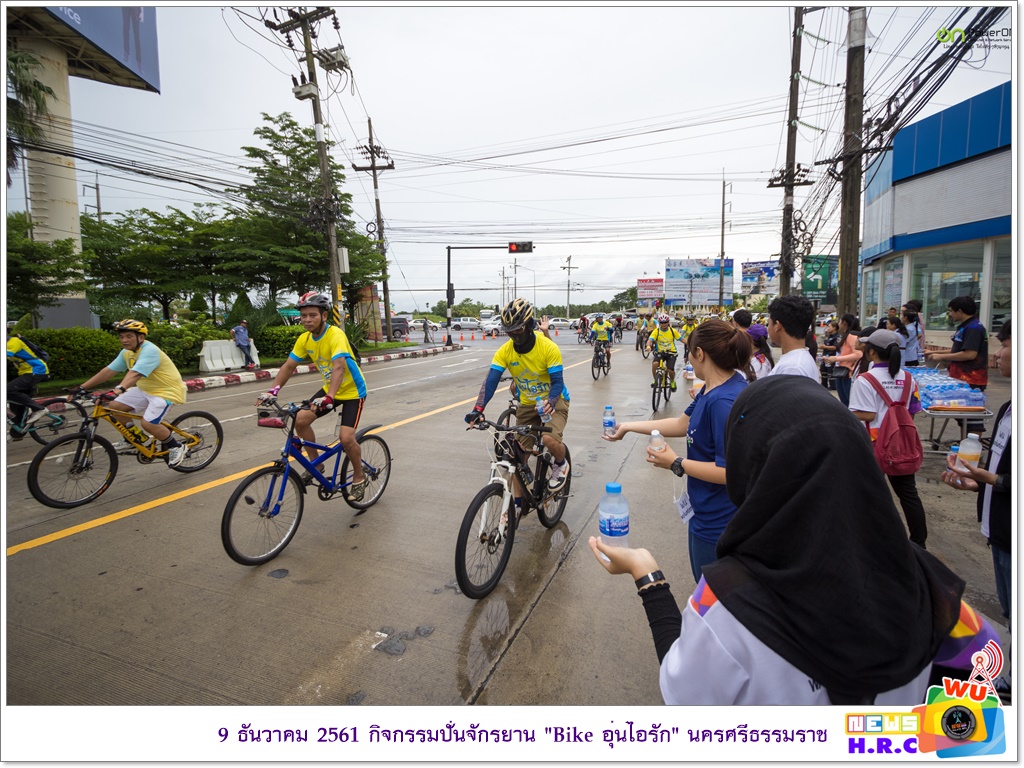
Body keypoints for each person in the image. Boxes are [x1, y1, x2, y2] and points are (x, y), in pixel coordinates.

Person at [589, 376, 1000, 705]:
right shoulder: (941, 594)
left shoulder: (726, 603)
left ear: (753, 468)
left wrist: (648, 576)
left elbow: (681, 692)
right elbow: (980, 725)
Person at [606, 319, 749, 583]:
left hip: (719, 521)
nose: (688, 359)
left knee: (712, 594)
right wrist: (628, 427)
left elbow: (730, 472)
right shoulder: (713, 388)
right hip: (703, 510)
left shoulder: (723, 402)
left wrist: (676, 462)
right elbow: (681, 424)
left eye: (690, 353)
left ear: (700, 354)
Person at [942, 319, 1011, 698]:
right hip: (998, 528)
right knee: (1009, 609)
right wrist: (977, 482)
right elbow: (1001, 472)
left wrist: (990, 480)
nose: (997, 354)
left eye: (1007, 345)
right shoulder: (1008, 409)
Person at [257, 292, 368, 499]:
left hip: (353, 391)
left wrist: (330, 397)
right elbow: (288, 366)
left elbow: (338, 367)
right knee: (300, 420)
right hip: (329, 390)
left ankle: (359, 477)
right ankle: (316, 465)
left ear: (324, 316)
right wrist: (273, 390)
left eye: (312, 315)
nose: (307, 320)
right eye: (304, 316)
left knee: (346, 438)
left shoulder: (335, 335)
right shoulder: (305, 339)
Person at [465, 299, 571, 502]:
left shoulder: (548, 347)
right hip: (528, 404)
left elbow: (557, 382)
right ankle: (519, 504)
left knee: (549, 439)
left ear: (529, 325)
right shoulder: (505, 351)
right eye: (510, 331)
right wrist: (478, 409)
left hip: (554, 401)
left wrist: (551, 400)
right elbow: (491, 381)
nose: (514, 336)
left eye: (518, 330)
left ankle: (561, 463)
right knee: (516, 457)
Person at [849, 329, 928, 548]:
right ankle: (919, 542)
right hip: (901, 444)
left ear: (871, 352)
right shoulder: (908, 378)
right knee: (909, 494)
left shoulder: (865, 380)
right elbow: (913, 410)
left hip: (874, 444)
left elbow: (867, 414)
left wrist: (845, 412)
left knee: (873, 494)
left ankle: (876, 541)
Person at [74, 319, 188, 467]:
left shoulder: (149, 350)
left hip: (166, 392)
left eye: (129, 336)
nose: (124, 340)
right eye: (121, 337)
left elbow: (135, 374)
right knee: (115, 407)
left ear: (140, 337)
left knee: (148, 424)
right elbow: (108, 371)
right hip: (145, 389)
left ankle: (176, 446)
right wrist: (81, 388)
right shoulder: (126, 353)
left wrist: (118, 390)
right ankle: (133, 438)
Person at [924, 296, 988, 432]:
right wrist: (935, 352)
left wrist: (941, 357)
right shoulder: (966, 327)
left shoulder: (974, 328)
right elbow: (958, 350)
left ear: (960, 311)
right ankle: (964, 443)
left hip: (972, 379)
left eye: (951, 311)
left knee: (972, 418)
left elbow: (970, 354)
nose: (950, 314)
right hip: (960, 377)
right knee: (962, 417)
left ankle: (972, 444)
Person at [6, 328, 51, 434]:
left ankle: (39, 409)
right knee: (16, 404)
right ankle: (17, 432)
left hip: (36, 370)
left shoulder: (14, 341)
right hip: (26, 373)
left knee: (8, 390)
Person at [765, 294, 818, 380]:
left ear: (777, 326)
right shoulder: (798, 360)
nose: (768, 328)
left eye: (768, 323)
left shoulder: (793, 368)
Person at [823, 313, 862, 406]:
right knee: (844, 401)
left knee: (848, 401)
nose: (838, 323)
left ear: (844, 323)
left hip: (848, 372)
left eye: (840, 321)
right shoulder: (845, 335)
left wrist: (837, 358)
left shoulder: (851, 336)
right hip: (841, 371)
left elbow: (858, 354)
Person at [645, 313, 682, 391]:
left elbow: (682, 339)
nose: (664, 324)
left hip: (671, 352)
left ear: (668, 322)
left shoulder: (672, 331)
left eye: (665, 322)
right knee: (655, 364)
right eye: (662, 322)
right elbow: (650, 340)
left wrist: (691, 344)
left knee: (670, 369)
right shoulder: (657, 331)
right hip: (660, 352)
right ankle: (655, 379)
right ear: (659, 323)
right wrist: (648, 346)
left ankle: (672, 381)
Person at [820, 319, 841, 389]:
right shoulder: (829, 336)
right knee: (823, 370)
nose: (828, 328)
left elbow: (835, 347)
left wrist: (825, 347)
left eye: (829, 327)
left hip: (832, 356)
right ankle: (824, 384)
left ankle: (832, 386)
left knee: (830, 371)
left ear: (834, 328)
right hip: (825, 356)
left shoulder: (837, 337)